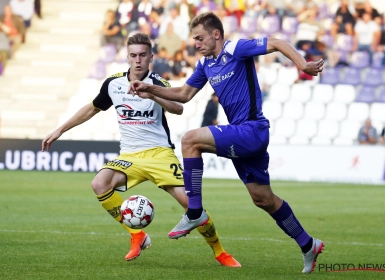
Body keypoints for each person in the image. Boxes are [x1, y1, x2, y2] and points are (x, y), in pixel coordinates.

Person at [130, 12, 325, 273]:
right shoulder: (205, 64)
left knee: (190, 140)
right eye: (194, 40)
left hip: (252, 130)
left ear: (216, 34)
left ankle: (195, 211)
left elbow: (277, 42)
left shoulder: (236, 49)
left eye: (200, 38)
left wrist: (302, 64)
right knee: (263, 198)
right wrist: (150, 89)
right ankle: (307, 244)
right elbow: (184, 95)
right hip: (241, 133)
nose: (196, 44)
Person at [42, 33, 240, 268]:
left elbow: (177, 108)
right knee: (99, 184)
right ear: (127, 57)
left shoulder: (158, 83)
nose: (138, 60)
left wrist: (152, 93)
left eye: (143, 55)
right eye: (133, 55)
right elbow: (92, 109)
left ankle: (219, 252)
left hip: (159, 154)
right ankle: (137, 234)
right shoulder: (113, 84)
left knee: (191, 204)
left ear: (151, 58)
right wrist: (60, 130)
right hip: (129, 156)